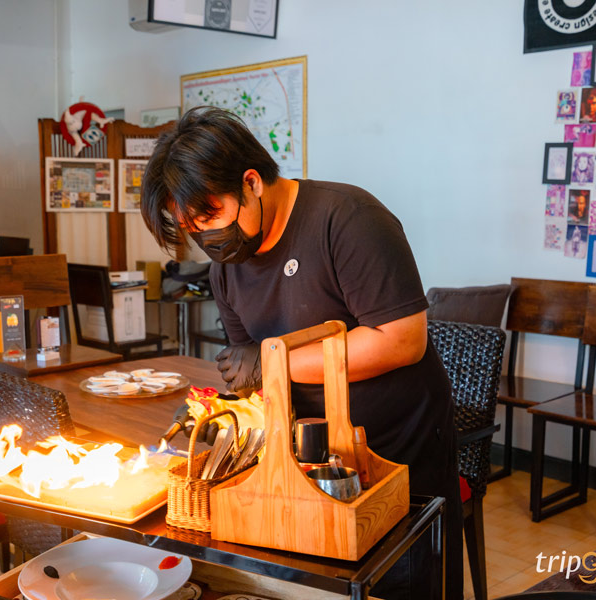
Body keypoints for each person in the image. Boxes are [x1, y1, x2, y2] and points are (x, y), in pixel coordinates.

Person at [141, 106, 462, 600]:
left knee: (398, 588)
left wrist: (273, 362)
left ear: (251, 182)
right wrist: (228, 411)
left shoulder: (347, 219)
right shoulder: (227, 267)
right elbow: (253, 376)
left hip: (398, 453)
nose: (206, 237)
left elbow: (401, 339)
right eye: (191, 228)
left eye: (210, 216)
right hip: (302, 462)